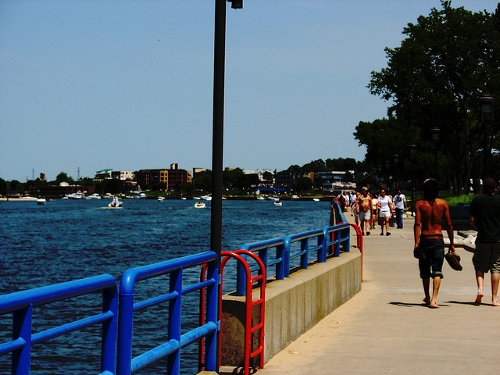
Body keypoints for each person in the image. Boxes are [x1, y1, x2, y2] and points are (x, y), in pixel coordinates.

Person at [414, 178, 455, 308]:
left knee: (425, 270)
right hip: (438, 239)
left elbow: (417, 225)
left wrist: (416, 243)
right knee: (437, 270)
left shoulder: (420, 204)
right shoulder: (443, 204)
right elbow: (449, 224)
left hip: (425, 239)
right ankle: (434, 300)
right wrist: (452, 242)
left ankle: (426, 296)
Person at [469, 177, 500, 306]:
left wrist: (479, 226)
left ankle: (480, 290)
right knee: (496, 267)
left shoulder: (477, 200)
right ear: (495, 188)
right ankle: (494, 298)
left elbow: (471, 219)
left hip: (482, 238)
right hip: (498, 238)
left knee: (479, 265)